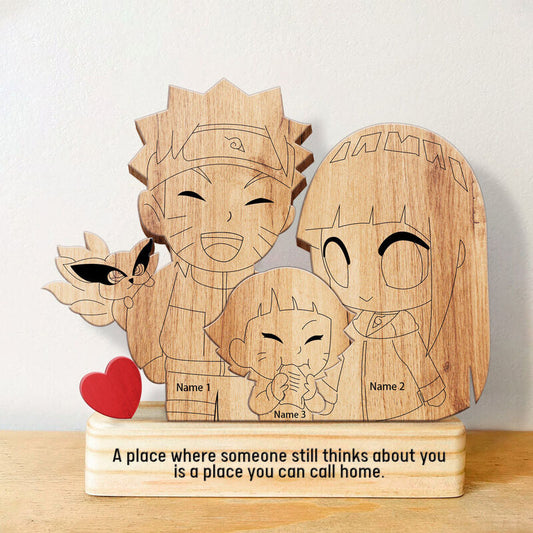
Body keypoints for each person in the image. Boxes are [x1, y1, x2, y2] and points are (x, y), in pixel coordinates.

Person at [297, 124, 489, 420]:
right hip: (360, 406)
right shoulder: (355, 325)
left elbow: (417, 360)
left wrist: (431, 391)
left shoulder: (403, 325)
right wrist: (324, 392)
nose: (365, 287)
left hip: (404, 406)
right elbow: (344, 360)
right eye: (339, 256)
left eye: (400, 253)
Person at [205, 268, 349, 420]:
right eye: (272, 338)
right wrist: (273, 393)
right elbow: (257, 406)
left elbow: (320, 407)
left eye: (314, 338)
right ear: (239, 351)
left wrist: (311, 394)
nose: (296, 349)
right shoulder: (265, 382)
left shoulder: (308, 380)